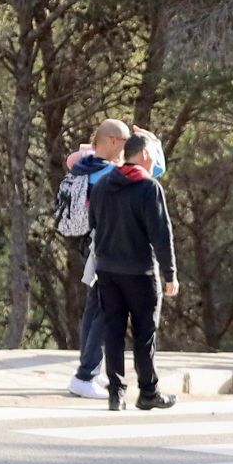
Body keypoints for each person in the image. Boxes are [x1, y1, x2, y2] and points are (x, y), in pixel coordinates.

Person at [66, 120, 166, 400]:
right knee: (103, 313)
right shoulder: (110, 173)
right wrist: (151, 142)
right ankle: (85, 375)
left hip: (92, 243)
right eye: (123, 143)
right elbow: (155, 170)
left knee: (94, 310)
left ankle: (89, 371)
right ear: (111, 141)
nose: (127, 149)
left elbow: (73, 158)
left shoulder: (85, 165)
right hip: (111, 249)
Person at [89, 132, 178, 410]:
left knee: (113, 332)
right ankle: (148, 391)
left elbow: (93, 224)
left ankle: (116, 393)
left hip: (107, 271)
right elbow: (162, 235)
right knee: (144, 333)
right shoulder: (148, 188)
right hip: (140, 272)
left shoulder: (102, 184)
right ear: (146, 155)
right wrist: (170, 274)